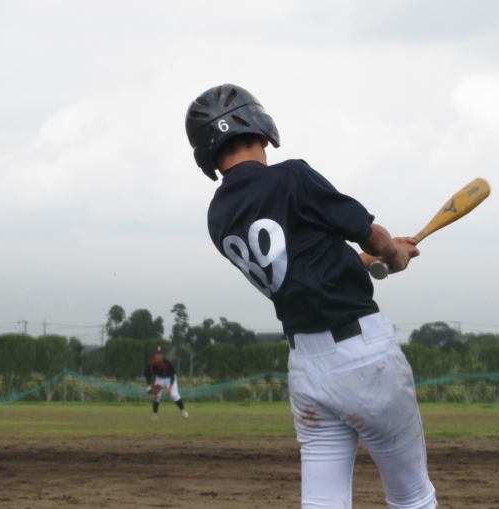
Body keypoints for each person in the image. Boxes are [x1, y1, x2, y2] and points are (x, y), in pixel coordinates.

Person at [185, 84, 437, 509]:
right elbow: (372, 235)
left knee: (323, 504)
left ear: (206, 155)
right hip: (365, 357)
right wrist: (393, 254)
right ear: (262, 129)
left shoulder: (219, 216)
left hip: (307, 370)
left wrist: (368, 260)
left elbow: (305, 268)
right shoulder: (292, 176)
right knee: (411, 496)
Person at [144, 346, 189, 420]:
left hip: (170, 378)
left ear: (163, 355)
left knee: (174, 395)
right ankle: (155, 414)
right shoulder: (152, 363)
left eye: (161, 354)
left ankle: (183, 411)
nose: (159, 356)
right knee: (156, 396)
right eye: (157, 354)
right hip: (159, 378)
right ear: (154, 355)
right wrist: (149, 384)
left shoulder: (167, 363)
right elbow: (147, 374)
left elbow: (172, 375)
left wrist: (170, 387)